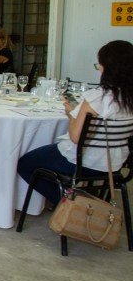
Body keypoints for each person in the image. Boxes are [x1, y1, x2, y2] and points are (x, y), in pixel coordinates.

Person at [18, 40, 133, 206]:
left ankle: (69, 205)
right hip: (114, 164)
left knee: (25, 164)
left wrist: (71, 114)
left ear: (106, 67)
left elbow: (75, 137)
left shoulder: (97, 98)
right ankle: (76, 201)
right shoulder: (129, 98)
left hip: (83, 163)